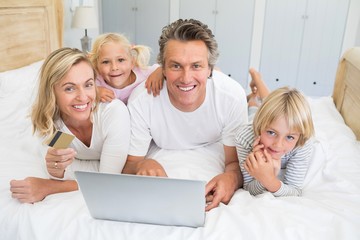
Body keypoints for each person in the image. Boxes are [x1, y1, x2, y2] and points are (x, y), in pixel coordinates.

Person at [122, 19, 248, 211]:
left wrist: (232, 178)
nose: (186, 78)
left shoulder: (232, 96)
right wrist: (143, 164)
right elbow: (130, 165)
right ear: (162, 68)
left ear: (210, 69)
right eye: (176, 66)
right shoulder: (142, 100)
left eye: (196, 66)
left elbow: (233, 162)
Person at [10, 48, 130, 203]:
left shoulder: (112, 113)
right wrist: (56, 171)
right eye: (69, 88)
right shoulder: (53, 124)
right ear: (51, 92)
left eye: (88, 85)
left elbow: (106, 182)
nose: (82, 97)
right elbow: (60, 171)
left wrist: (48, 186)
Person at [235, 80, 315, 197]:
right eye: (271, 133)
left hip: (264, 119)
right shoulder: (245, 138)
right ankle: (253, 98)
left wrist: (269, 179)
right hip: (254, 121)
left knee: (263, 107)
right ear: (260, 127)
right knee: (253, 111)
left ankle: (257, 79)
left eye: (289, 137)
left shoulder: (302, 144)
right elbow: (248, 188)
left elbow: (294, 190)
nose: (278, 145)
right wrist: (262, 169)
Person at [88, 32, 163, 104]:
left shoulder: (142, 73)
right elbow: (82, 88)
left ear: (132, 62)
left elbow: (163, 68)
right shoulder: (97, 81)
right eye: (106, 62)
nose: (114, 67)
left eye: (120, 60)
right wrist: (95, 91)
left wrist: (159, 72)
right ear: (97, 66)